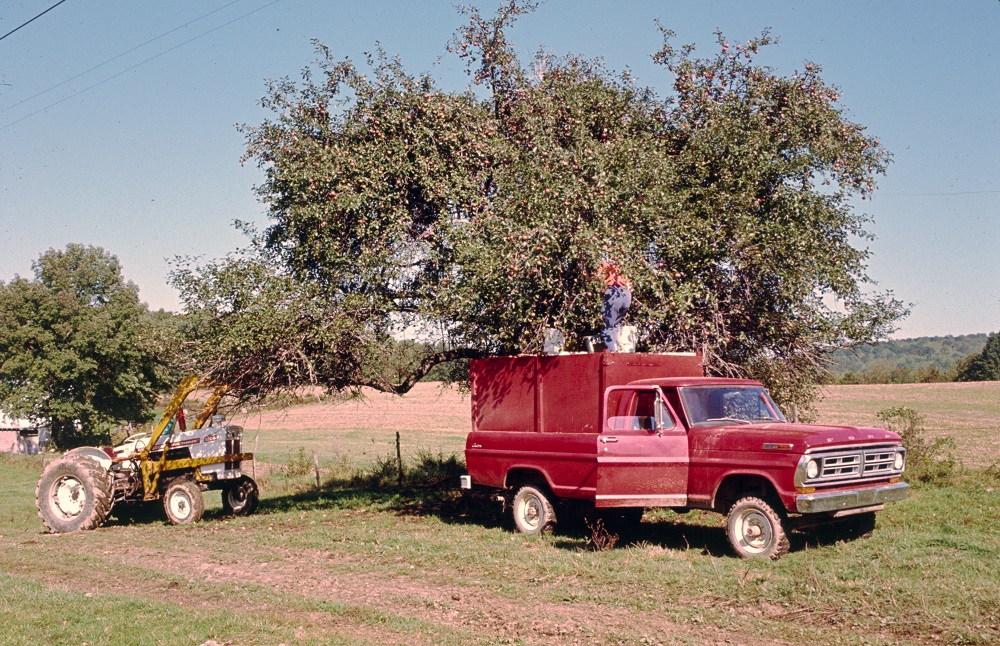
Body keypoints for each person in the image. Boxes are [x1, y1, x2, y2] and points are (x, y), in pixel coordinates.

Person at [597, 261, 632, 352]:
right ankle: (615, 350)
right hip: (626, 294)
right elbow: (629, 285)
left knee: (607, 327)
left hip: (613, 293)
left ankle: (612, 355)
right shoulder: (621, 265)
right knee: (613, 326)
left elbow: (595, 280)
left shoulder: (602, 265)